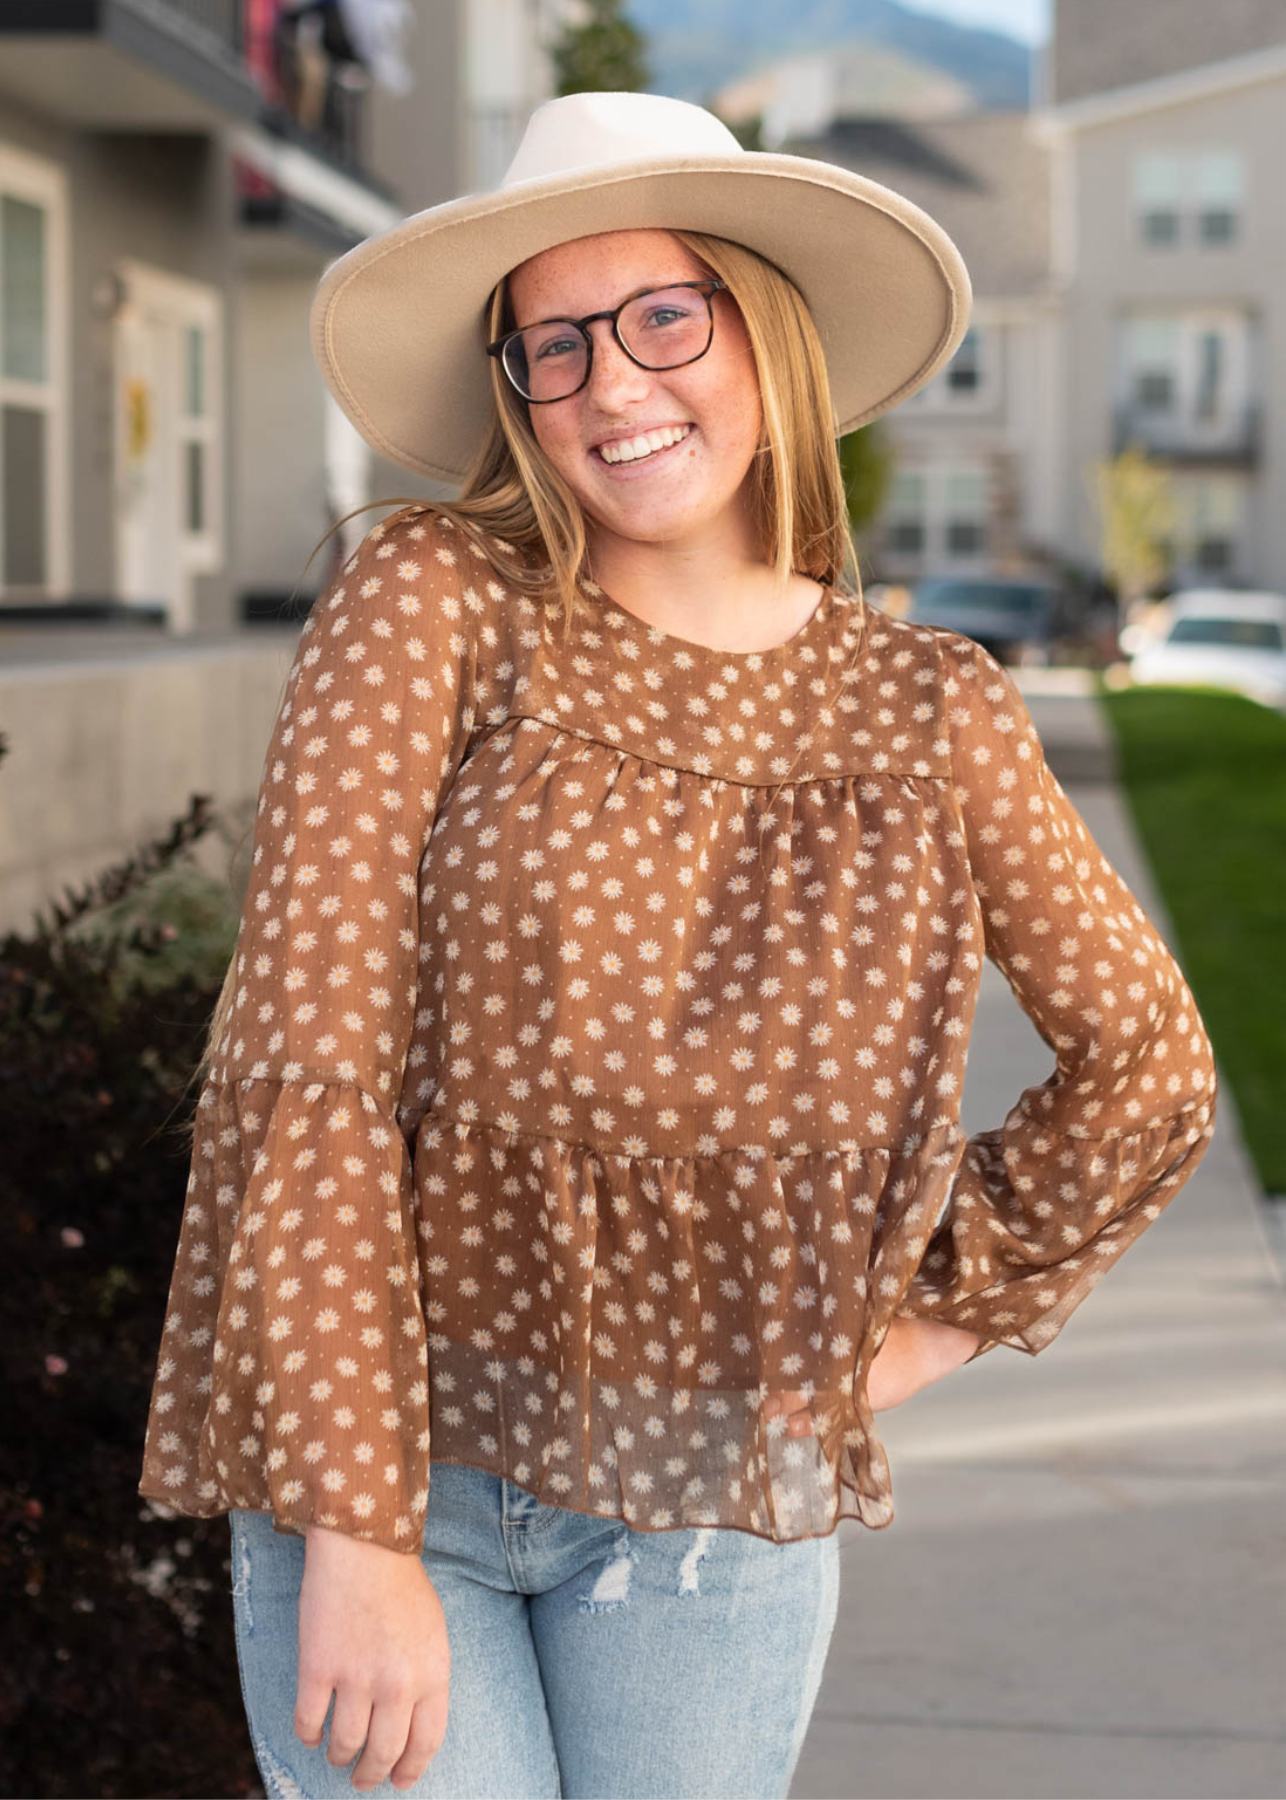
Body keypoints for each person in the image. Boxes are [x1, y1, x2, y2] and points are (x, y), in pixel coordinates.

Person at [138, 91, 1218, 1799]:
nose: (610, 386)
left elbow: (1148, 1069)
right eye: (549, 346)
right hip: (391, 1453)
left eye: (660, 317)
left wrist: (912, 1335)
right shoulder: (434, 599)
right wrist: (352, 1527)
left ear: (761, 329)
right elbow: (307, 1053)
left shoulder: (926, 708)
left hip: (715, 1502)